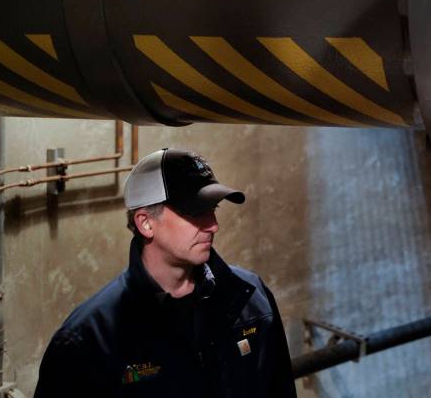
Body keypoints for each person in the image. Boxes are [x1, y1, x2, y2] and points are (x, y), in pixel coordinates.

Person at [35, 148, 296, 398]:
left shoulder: (252, 299)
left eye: (212, 210)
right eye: (194, 212)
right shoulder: (86, 342)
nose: (213, 225)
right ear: (145, 223)